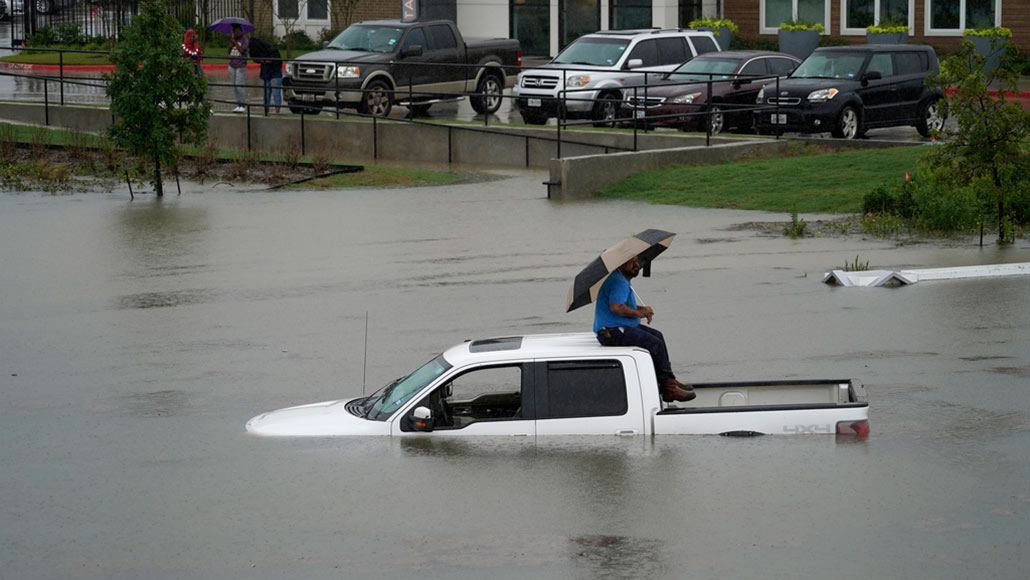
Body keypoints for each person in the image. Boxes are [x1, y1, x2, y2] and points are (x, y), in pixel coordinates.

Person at [594, 255, 696, 402]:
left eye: (637, 262)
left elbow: (622, 305)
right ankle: (670, 389)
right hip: (612, 332)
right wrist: (640, 313)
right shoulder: (618, 281)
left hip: (618, 327)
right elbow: (616, 307)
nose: (637, 265)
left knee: (657, 336)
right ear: (620, 264)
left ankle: (669, 381)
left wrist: (642, 309)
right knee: (654, 343)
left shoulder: (620, 279)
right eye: (632, 262)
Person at [249, 37, 282, 115]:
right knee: (267, 94)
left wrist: (264, 60)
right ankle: (266, 111)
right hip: (266, 73)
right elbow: (255, 58)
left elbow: (276, 60)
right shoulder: (264, 50)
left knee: (275, 93)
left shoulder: (272, 50)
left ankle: (276, 112)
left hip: (274, 73)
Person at [227, 23, 249, 112]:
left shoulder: (245, 40)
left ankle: (242, 104)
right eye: (234, 31)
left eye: (237, 31)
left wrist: (235, 43)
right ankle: (237, 104)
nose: (235, 33)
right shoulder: (232, 40)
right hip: (232, 64)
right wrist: (230, 45)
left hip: (240, 65)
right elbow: (228, 52)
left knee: (239, 85)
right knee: (234, 86)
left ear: (240, 31)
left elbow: (242, 50)